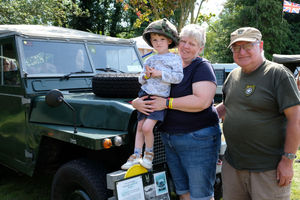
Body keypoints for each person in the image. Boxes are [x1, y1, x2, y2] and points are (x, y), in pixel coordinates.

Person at [132, 24, 221, 200]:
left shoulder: (201, 67)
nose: (186, 46)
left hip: (197, 139)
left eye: (192, 43)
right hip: (170, 139)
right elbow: (150, 88)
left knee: (201, 194)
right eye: (183, 41)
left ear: (200, 48)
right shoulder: (168, 65)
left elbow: (201, 101)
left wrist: (166, 103)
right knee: (183, 192)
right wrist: (136, 103)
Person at [216, 27, 300, 200]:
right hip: (233, 166)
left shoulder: (278, 75)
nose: (241, 52)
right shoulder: (233, 76)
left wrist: (288, 161)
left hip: (268, 170)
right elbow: (227, 107)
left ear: (260, 45)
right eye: (236, 47)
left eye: (247, 46)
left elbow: (296, 119)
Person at [121, 18, 183, 170]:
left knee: (148, 127)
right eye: (154, 39)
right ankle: (136, 155)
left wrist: (159, 73)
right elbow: (140, 79)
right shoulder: (149, 59)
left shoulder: (175, 59)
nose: (158, 42)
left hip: (159, 98)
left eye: (162, 39)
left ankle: (149, 155)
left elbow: (178, 77)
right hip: (145, 94)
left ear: (169, 41)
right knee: (140, 126)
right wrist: (147, 76)